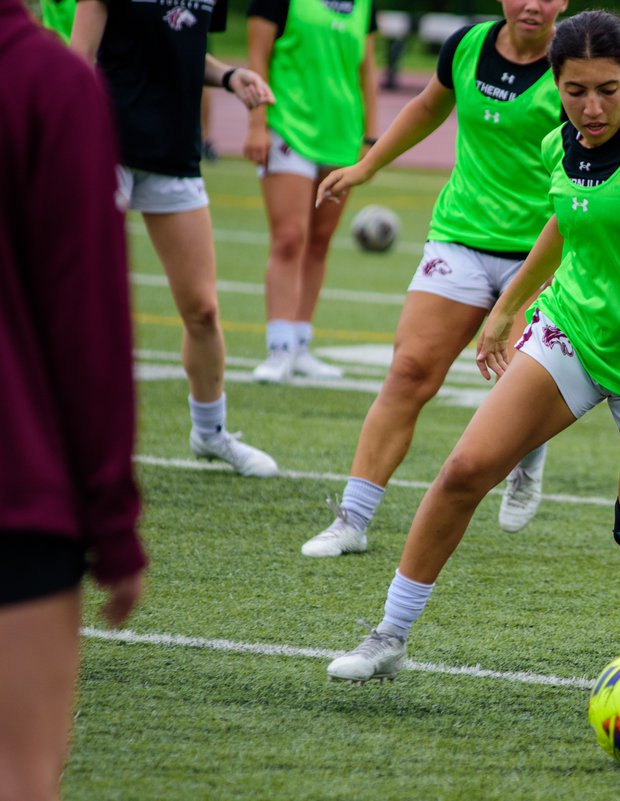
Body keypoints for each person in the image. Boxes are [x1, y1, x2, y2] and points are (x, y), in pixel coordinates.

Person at [322, 9, 620, 688]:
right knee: (463, 471)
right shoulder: (561, 141)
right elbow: (564, 219)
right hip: (571, 328)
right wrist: (506, 307)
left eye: (607, 90)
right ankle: (389, 635)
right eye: (575, 91)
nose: (591, 108)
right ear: (556, 84)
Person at [301, 0, 570, 556]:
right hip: (458, 237)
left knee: (520, 382)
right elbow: (428, 106)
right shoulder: (466, 46)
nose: (533, 5)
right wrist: (367, 165)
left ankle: (528, 456)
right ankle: (352, 520)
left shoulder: (575, 63)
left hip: (540, 249)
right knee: (409, 372)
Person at [0, 2, 146, 798]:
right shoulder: (46, 82)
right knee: (22, 776)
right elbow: (88, 330)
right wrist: (114, 529)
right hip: (15, 499)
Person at [71, 0, 282, 476]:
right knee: (85, 302)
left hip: (174, 154)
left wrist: (230, 76)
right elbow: (79, 59)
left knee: (202, 310)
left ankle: (210, 433)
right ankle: (66, 433)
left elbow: (183, 45)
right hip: (107, 148)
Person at [244, 0, 379, 383]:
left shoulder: (365, 4)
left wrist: (371, 138)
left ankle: (300, 345)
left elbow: (367, 68)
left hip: (342, 134)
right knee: (290, 237)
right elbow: (257, 57)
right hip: (289, 127)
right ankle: (279, 348)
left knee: (319, 241)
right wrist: (256, 124)